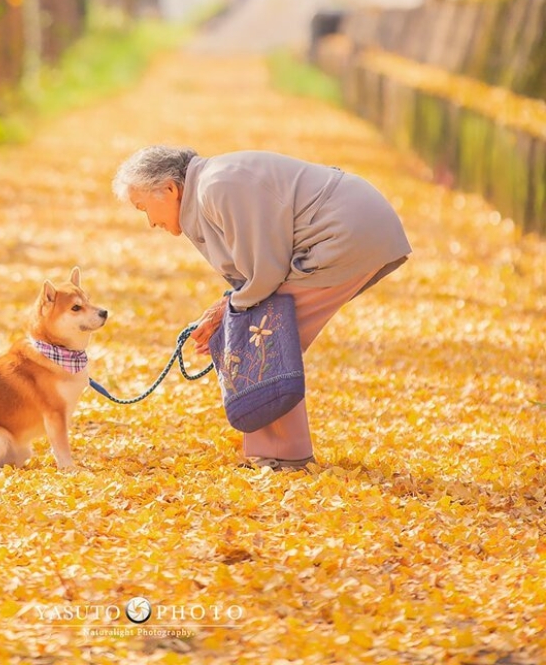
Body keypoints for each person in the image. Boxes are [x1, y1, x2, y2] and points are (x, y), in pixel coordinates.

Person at [112, 145, 411, 471]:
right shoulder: (209, 187)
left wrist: (228, 310)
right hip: (349, 229)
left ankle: (281, 457)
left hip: (346, 232)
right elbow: (255, 274)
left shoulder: (216, 187)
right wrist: (225, 308)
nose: (149, 222)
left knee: (262, 332)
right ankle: (279, 453)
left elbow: (266, 272)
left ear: (169, 188)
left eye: (143, 208)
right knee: (263, 329)